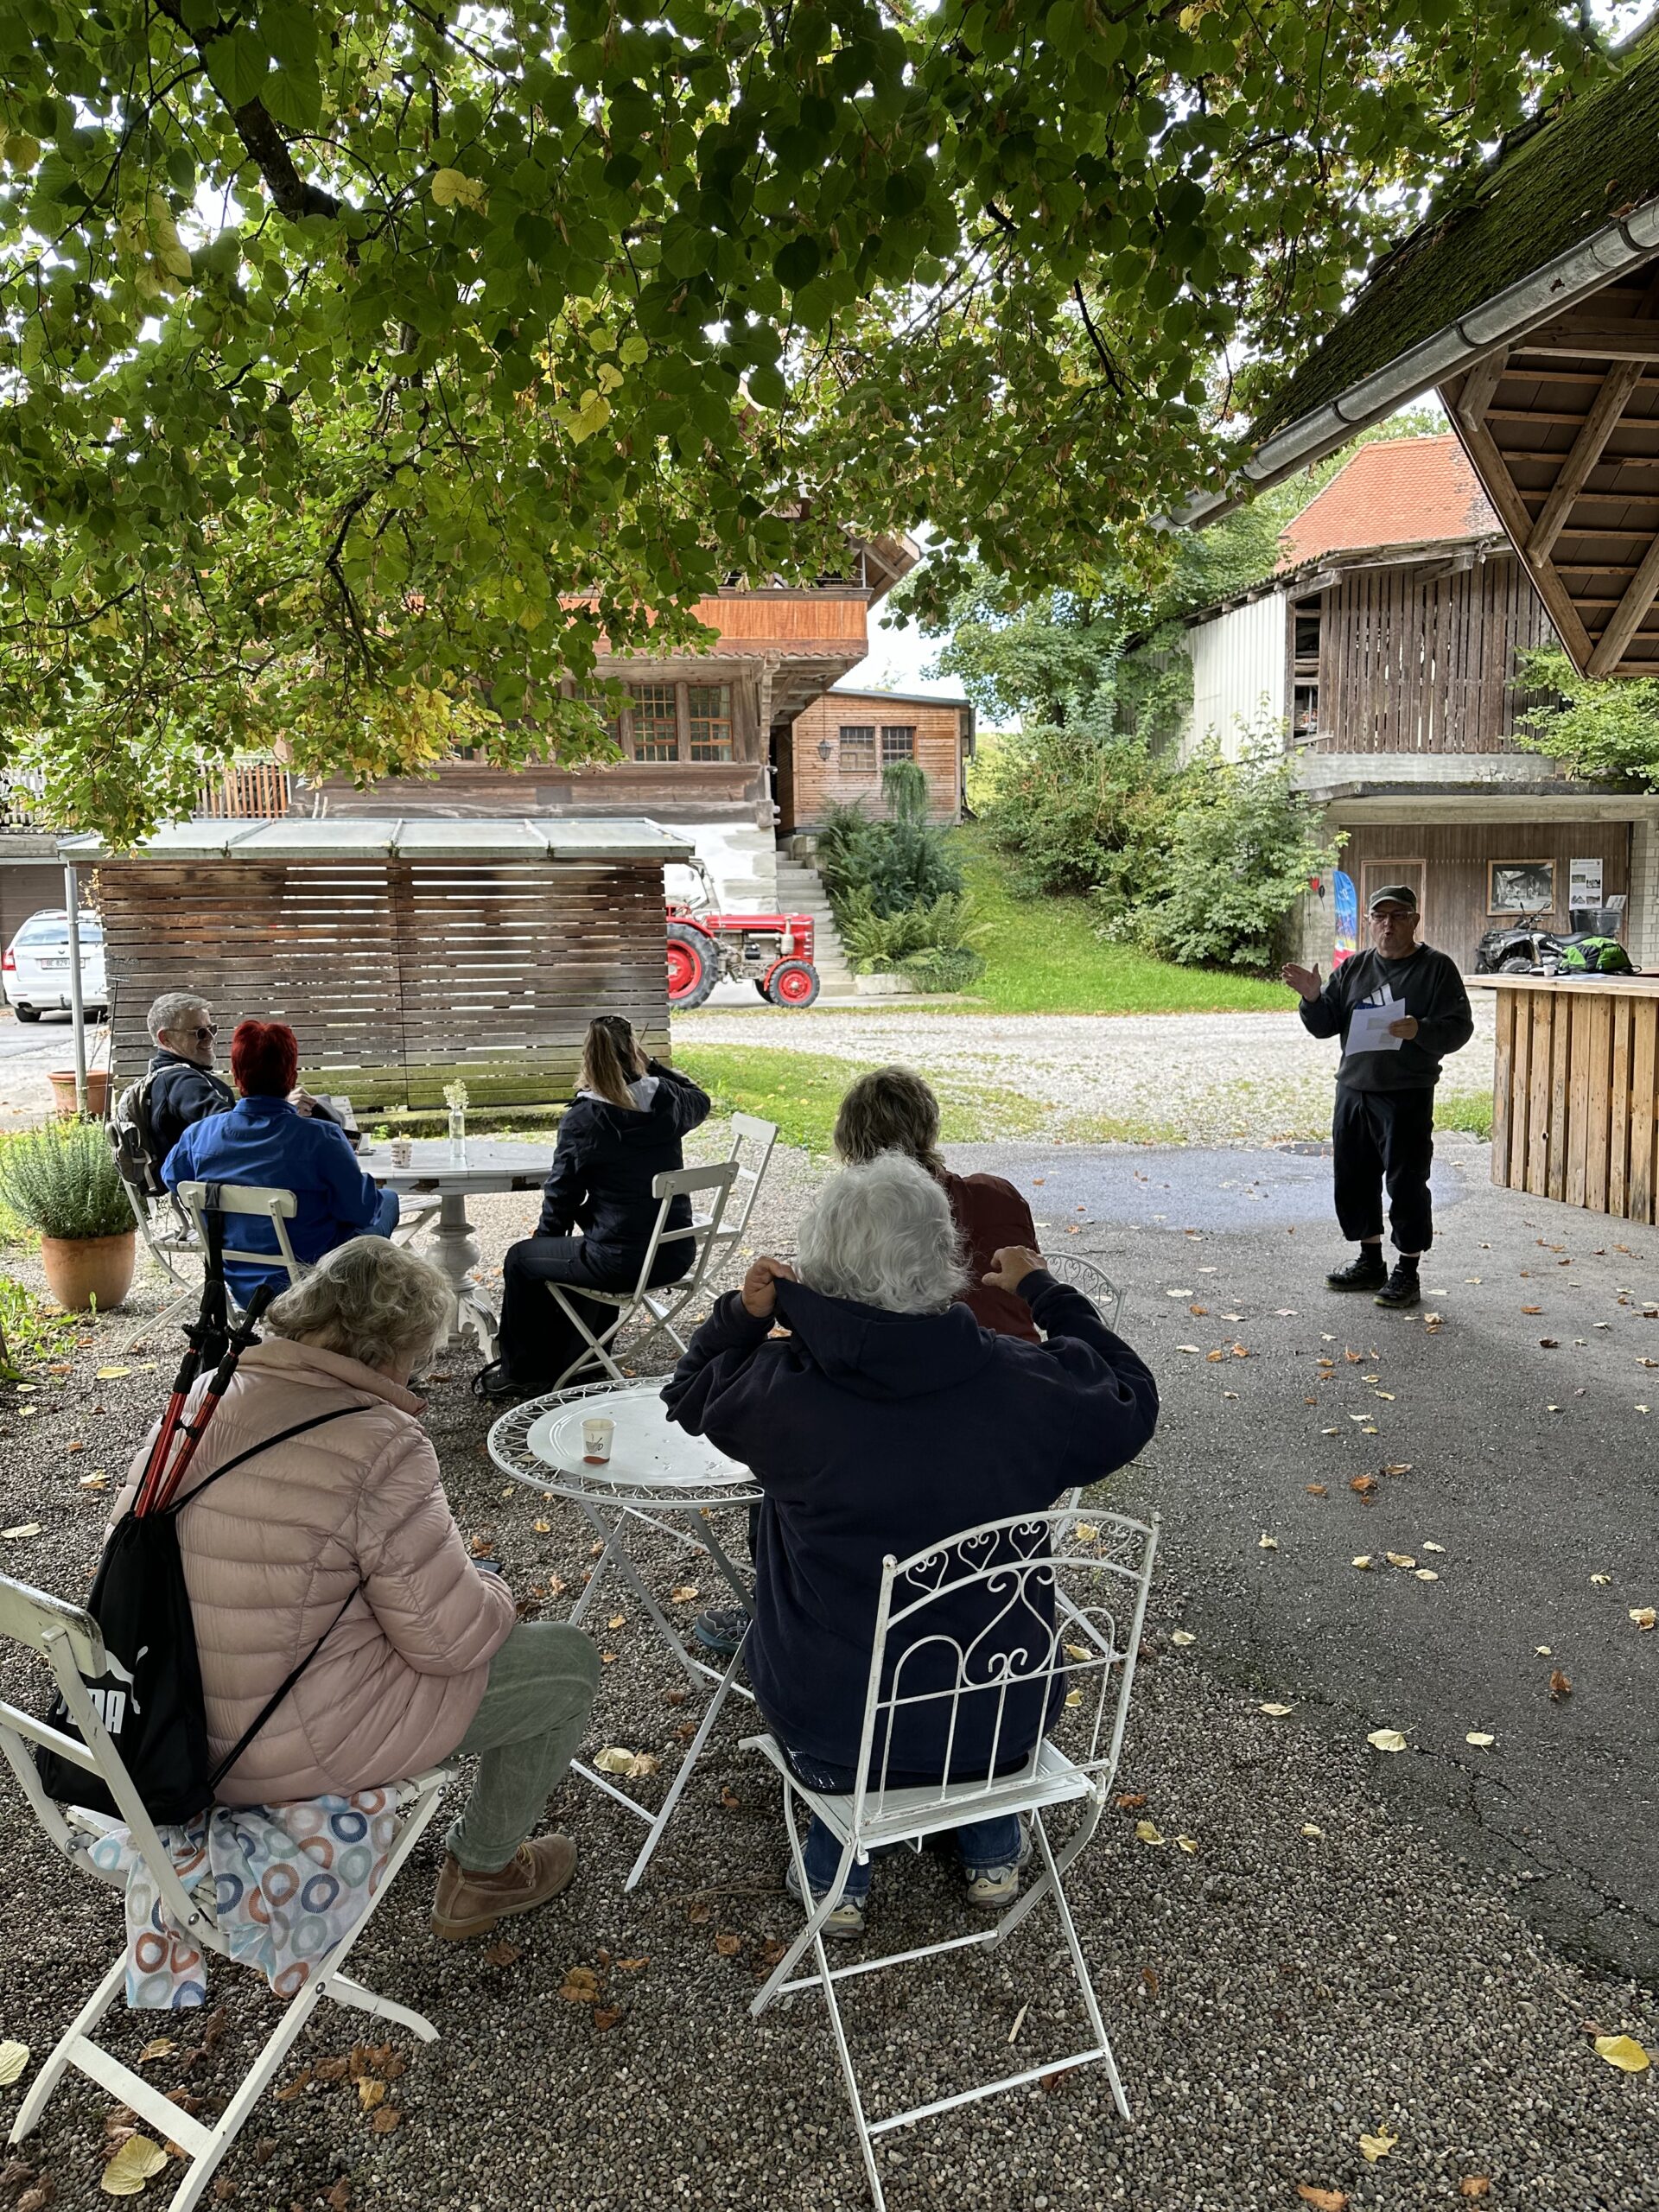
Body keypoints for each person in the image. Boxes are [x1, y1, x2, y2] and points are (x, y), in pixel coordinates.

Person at [663, 1153, 1158, 1939]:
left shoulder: (783, 1394)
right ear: (943, 1257)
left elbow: (688, 1389)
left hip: (836, 1732)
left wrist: (744, 1315)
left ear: (820, 1268)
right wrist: (1044, 1290)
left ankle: (838, 1877)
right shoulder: (1028, 1385)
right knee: (971, 1695)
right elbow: (1130, 1391)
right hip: (1004, 1717)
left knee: (796, 1562)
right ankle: (991, 1848)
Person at [109, 1238, 601, 1941]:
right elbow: (449, 1642)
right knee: (566, 1665)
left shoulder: (204, 1395)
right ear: (396, 1348)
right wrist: (493, 1588)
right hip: (279, 1749)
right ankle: (484, 1873)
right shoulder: (378, 1440)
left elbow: (126, 1554)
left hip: (160, 1725)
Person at [474, 1015, 711, 1400]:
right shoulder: (669, 1100)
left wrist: (545, 1240)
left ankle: (520, 1372)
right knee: (591, 1245)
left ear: (588, 1059)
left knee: (522, 1258)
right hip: (673, 1254)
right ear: (634, 1053)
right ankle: (589, 1361)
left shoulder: (585, 1118)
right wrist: (651, 1065)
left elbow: (561, 1195)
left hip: (623, 1263)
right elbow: (700, 1097)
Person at [1282, 883, 1473, 1310]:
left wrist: (1420, 1029)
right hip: (1354, 1088)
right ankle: (1370, 1261)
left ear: (1414, 921)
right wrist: (1313, 998)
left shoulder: (1436, 969)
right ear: (1369, 922)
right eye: (1380, 917)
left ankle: (1408, 1269)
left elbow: (1460, 1028)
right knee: (1353, 1178)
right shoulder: (1354, 968)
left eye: (1399, 916)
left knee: (1406, 1183)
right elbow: (1325, 1025)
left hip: (1406, 1092)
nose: (1389, 925)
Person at [162, 1020, 399, 1300]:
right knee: (388, 1200)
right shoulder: (321, 1138)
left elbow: (174, 1180)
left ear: (236, 1076)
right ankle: (367, 1305)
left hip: (240, 1283)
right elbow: (360, 1211)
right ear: (292, 1076)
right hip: (316, 1285)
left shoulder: (198, 1135)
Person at [832, 1065, 1042, 1342]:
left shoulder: (849, 1218)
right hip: (1025, 1356)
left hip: (929, 1363)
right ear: (929, 1130)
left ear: (849, 1142)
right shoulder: (998, 1194)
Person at [142, 992, 236, 1164]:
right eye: (199, 1033)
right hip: (201, 1180)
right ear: (166, 1038)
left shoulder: (169, 1076)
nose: (210, 1038)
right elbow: (233, 1132)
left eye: (212, 1029)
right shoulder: (181, 1083)